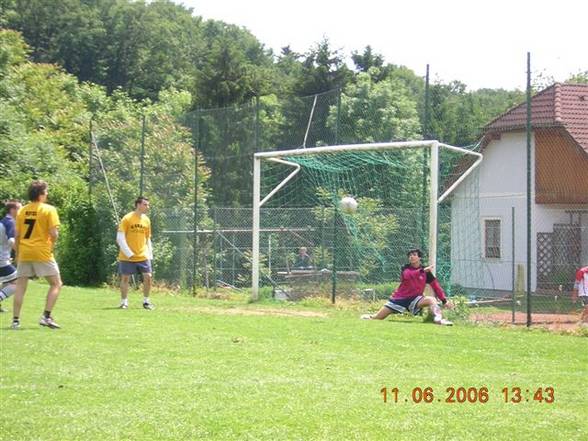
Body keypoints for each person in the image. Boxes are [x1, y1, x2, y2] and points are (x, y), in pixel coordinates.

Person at [12, 181, 62, 329]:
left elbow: (17, 235)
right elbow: (54, 233)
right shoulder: (49, 209)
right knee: (56, 284)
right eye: (46, 192)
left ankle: (15, 320)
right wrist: (51, 244)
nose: (47, 194)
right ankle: (46, 316)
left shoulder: (22, 210)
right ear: (40, 194)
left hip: (25, 252)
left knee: (21, 286)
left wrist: (18, 253)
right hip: (42, 252)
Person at [361, 248, 454, 326]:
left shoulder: (425, 272)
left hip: (415, 299)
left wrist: (444, 300)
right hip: (399, 299)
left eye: (414, 254)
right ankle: (370, 316)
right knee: (377, 318)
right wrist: (421, 271)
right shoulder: (405, 268)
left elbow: (436, 286)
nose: (411, 257)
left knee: (431, 300)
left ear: (419, 257)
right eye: (410, 255)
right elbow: (408, 276)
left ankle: (438, 320)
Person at [117, 196, 154, 310]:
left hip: (143, 255)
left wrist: (150, 253)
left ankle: (146, 302)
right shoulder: (127, 218)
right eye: (145, 204)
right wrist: (129, 253)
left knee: (148, 277)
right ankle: (124, 302)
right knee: (125, 279)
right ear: (138, 205)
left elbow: (148, 238)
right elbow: (120, 238)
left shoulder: (146, 220)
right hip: (127, 257)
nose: (147, 207)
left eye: (148, 205)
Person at [0, 200, 22, 312]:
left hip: (3, 258)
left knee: (7, 282)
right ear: (13, 210)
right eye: (20, 209)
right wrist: (20, 252)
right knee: (19, 282)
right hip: (2, 260)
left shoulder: (3, 221)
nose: (22, 211)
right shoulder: (10, 222)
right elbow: (11, 241)